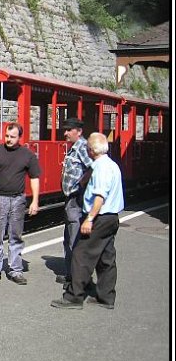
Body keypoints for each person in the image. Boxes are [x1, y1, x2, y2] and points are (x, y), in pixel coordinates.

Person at [51, 133, 124, 309]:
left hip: (99, 217)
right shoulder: (111, 165)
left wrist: (89, 219)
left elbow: (100, 196)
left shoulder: (101, 169)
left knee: (80, 255)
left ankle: (74, 297)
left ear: (91, 150)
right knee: (106, 258)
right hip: (112, 217)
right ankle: (106, 297)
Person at [0, 122, 41, 284]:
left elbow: (34, 178)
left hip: (18, 199)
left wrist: (35, 201)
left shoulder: (28, 155)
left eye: (12, 137)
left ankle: (15, 270)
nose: (9, 139)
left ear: (19, 137)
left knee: (16, 235)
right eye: (7, 136)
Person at [57, 117, 92, 285]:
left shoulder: (82, 147)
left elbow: (93, 167)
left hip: (76, 199)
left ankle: (77, 279)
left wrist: (81, 184)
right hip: (70, 199)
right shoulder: (74, 147)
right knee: (68, 236)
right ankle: (71, 273)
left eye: (68, 129)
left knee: (75, 238)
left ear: (78, 131)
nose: (65, 133)